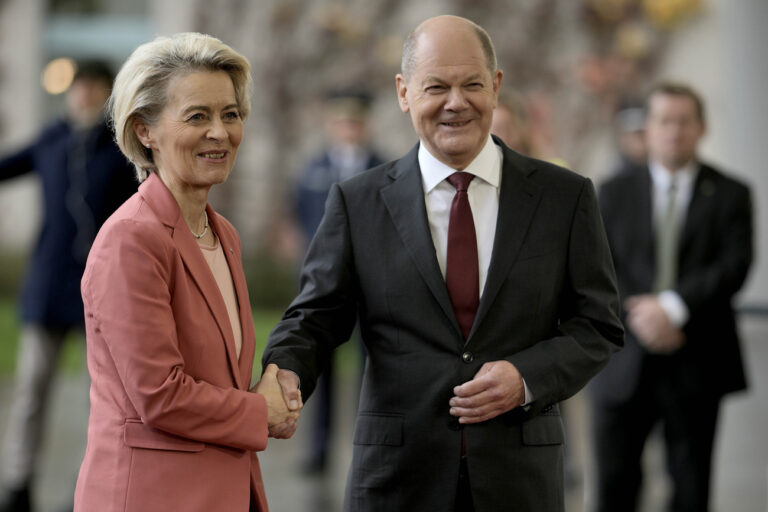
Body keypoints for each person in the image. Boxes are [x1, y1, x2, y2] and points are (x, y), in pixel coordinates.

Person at [263, 15, 623, 511]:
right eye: (436, 86)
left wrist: (526, 377)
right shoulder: (358, 201)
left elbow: (598, 326)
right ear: (404, 93)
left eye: (472, 84)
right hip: (396, 480)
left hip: (519, 481)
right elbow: (315, 317)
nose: (456, 102)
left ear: (495, 88)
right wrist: (283, 370)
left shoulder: (565, 197)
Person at [72, 33, 300, 512]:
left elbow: (217, 379)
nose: (220, 132)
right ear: (145, 131)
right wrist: (261, 411)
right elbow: (160, 394)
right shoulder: (130, 240)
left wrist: (275, 390)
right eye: (198, 116)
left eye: (231, 114)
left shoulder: (225, 235)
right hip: (152, 496)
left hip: (221, 491)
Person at [591, 82, 753, 512]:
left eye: (684, 122)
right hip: (622, 354)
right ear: (647, 128)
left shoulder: (733, 194)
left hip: (696, 356)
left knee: (691, 484)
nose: (674, 132)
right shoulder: (612, 191)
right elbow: (598, 265)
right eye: (664, 121)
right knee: (614, 484)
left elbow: (734, 266)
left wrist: (672, 309)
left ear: (702, 128)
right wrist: (644, 316)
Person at [0, 61, 138, 512]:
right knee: (30, 394)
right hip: (46, 288)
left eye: (95, 87)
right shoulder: (51, 140)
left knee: (98, 400)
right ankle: (18, 483)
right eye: (80, 87)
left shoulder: (121, 150)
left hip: (100, 294)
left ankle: (90, 488)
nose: (85, 95)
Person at [293, 89, 385, 474]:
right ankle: (319, 450)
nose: (348, 128)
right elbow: (301, 215)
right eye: (341, 121)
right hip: (328, 287)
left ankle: (370, 447)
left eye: (354, 121)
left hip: (372, 284)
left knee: (373, 369)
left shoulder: (384, 167)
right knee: (321, 369)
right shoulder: (313, 169)